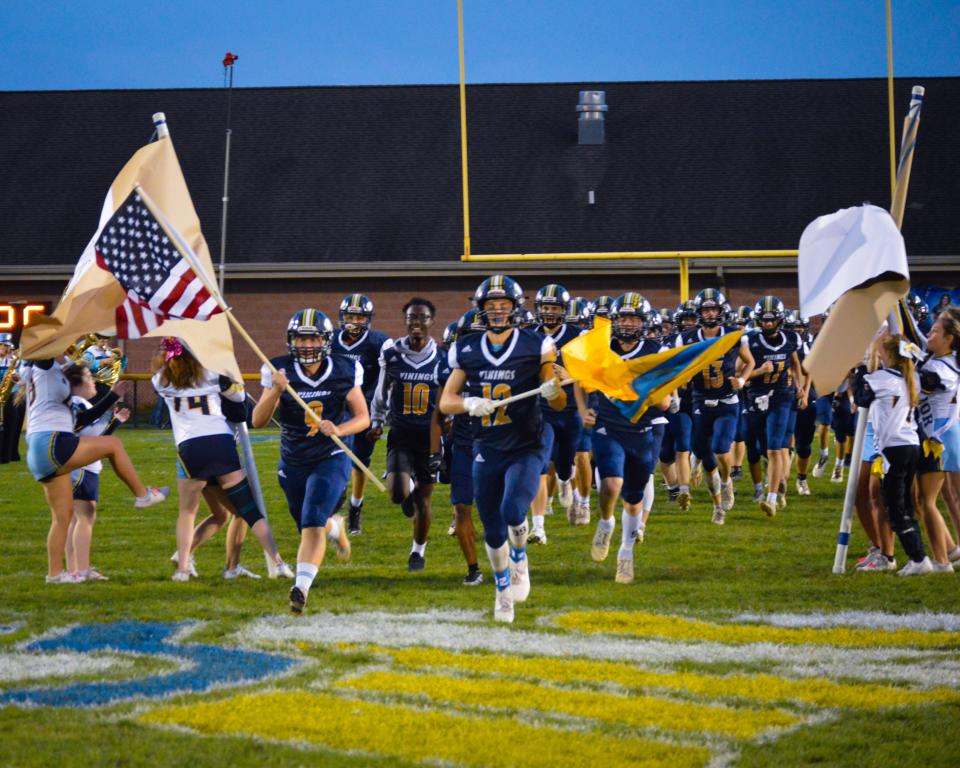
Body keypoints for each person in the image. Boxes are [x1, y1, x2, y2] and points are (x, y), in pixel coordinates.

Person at [440, 274, 566, 623]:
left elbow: (557, 400)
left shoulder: (536, 344)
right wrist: (468, 404)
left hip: (526, 443)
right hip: (487, 444)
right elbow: (446, 401)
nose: (497, 311)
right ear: (481, 310)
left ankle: (521, 559)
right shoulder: (466, 348)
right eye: (491, 306)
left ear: (514, 308)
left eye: (503, 305)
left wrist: (553, 390)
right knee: (493, 528)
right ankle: (501, 589)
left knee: (513, 510)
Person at [252, 309, 368, 614]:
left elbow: (363, 418)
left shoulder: (344, 368)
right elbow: (258, 420)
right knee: (307, 522)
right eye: (301, 337)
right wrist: (275, 390)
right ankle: (335, 528)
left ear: (325, 340)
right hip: (293, 458)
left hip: (330, 454)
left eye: (313, 337)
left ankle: (301, 587)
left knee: (312, 517)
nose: (306, 344)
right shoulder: (280, 370)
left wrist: (338, 429)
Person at [152, 338, 292, 582]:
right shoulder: (212, 373)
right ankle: (278, 562)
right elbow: (238, 400)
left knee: (188, 512)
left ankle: (183, 568)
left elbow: (169, 382)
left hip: (190, 447)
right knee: (248, 510)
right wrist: (229, 375)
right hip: (220, 442)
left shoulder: (161, 379)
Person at [20, 355, 168, 583]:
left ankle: (55, 574)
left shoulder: (49, 379)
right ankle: (142, 495)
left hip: (39, 449)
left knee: (62, 517)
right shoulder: (46, 367)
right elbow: (40, 338)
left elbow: (83, 419)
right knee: (114, 445)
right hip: (51, 441)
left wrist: (112, 397)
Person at [578, 293, 670, 584]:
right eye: (623, 318)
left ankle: (626, 554)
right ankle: (605, 522)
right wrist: (583, 411)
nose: (627, 323)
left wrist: (659, 396)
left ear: (643, 322)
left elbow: (665, 402)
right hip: (608, 425)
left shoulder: (656, 350)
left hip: (642, 428)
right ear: (614, 321)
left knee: (633, 499)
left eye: (633, 318)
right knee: (610, 483)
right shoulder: (601, 347)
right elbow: (580, 382)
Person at [370, 298, 443, 572]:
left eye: (422, 318)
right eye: (412, 318)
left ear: (431, 322)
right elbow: (381, 391)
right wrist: (376, 420)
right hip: (400, 432)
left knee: (425, 500)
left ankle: (418, 552)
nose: (417, 323)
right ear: (406, 321)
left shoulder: (441, 357)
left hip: (430, 436)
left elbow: (448, 396)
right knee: (398, 494)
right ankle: (406, 490)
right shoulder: (392, 354)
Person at [853, 335, 933, 575]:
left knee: (895, 508)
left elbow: (861, 398)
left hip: (893, 449)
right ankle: (918, 557)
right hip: (911, 445)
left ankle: (918, 558)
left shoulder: (881, 379)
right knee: (905, 505)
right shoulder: (913, 378)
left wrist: (860, 370)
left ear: (887, 355)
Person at [681, 289, 755, 524]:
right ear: (699, 312)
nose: (710, 313)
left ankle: (726, 482)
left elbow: (750, 361)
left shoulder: (734, 335)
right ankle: (717, 507)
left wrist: (742, 379)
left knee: (722, 449)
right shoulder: (688, 337)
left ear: (721, 311)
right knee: (706, 457)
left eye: (714, 309)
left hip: (726, 402)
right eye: (706, 309)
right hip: (700, 401)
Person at [331, 294, 392, 535]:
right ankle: (338, 495)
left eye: (358, 317)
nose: (353, 321)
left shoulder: (379, 343)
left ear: (367, 320)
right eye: (349, 316)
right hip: (336, 408)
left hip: (365, 409)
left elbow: (388, 377)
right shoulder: (331, 340)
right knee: (337, 455)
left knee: (360, 461)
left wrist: (379, 413)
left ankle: (356, 508)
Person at [64, 363, 131, 581]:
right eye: (88, 376)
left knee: (75, 519)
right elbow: (89, 432)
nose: (92, 380)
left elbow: (95, 434)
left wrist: (115, 422)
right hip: (83, 465)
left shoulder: (76, 403)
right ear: (76, 383)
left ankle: (74, 569)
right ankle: (82, 569)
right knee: (85, 516)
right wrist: (112, 398)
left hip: (79, 463)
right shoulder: (76, 402)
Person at [743, 296, 807, 517]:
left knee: (775, 448)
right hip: (755, 398)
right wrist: (760, 371)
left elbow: (798, 365)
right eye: (765, 320)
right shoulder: (749, 341)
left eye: (772, 320)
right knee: (761, 448)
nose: (768, 324)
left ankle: (771, 498)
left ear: (780, 320)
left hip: (782, 397)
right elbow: (740, 375)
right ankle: (778, 486)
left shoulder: (791, 339)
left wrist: (801, 389)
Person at [530, 284, 582, 543]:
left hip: (571, 409)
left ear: (564, 310)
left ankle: (564, 479)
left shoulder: (577, 336)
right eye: (545, 307)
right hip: (542, 410)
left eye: (554, 307)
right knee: (540, 463)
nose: (549, 312)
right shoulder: (528, 336)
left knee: (564, 464)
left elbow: (593, 372)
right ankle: (538, 527)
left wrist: (570, 376)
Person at [437, 309, 485, 585]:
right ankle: (473, 568)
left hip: (498, 444)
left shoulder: (507, 363)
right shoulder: (451, 366)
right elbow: (440, 407)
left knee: (501, 511)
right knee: (461, 508)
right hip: (465, 442)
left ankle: (514, 559)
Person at [915, 307, 960, 571]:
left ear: (949, 338)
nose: (929, 335)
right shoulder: (946, 360)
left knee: (933, 500)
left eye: (935, 331)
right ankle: (950, 549)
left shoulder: (939, 368)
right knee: (943, 497)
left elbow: (919, 389)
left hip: (940, 436)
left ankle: (942, 560)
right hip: (943, 433)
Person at [0, 334, 25, 463]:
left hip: (11, 395)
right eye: (4, 346)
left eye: (8, 346)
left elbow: (22, 379)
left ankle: (8, 455)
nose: (7, 349)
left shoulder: (13, 361)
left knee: (11, 426)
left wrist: (17, 379)